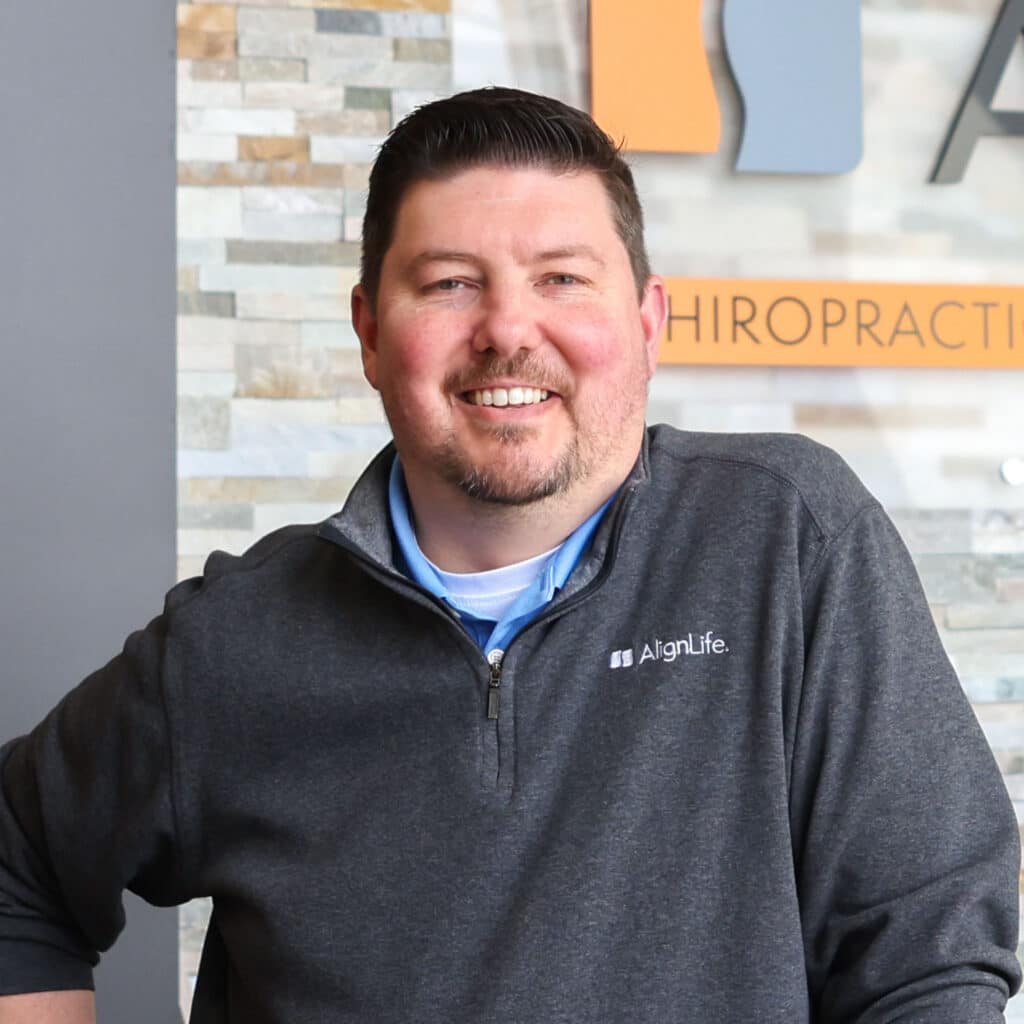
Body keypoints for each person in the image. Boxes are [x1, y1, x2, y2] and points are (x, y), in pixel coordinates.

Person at [0, 87, 1020, 1024]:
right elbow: (18, 854)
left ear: (646, 322)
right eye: (449, 283)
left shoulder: (787, 541)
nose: (506, 330)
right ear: (367, 331)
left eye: (561, 279)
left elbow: (925, 959)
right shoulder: (236, 637)